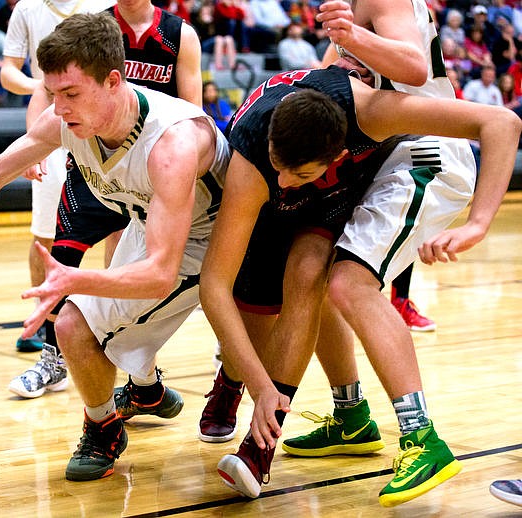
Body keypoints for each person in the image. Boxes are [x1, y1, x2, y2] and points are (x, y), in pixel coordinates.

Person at [0, 12, 230, 482]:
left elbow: (160, 271)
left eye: (71, 94)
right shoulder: (71, 119)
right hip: (151, 223)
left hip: (212, 243)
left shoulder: (172, 144)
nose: (58, 108)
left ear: (114, 81)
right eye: (53, 94)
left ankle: (179, 391)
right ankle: (112, 420)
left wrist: (76, 278)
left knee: (74, 316)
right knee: (73, 324)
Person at [203, 66, 520, 505]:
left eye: (297, 175)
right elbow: (213, 286)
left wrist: (480, 222)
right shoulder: (257, 162)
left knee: (320, 274)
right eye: (280, 168)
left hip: (360, 181)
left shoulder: (372, 112)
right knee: (255, 310)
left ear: (336, 158)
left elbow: (502, 121)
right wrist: (259, 384)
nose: (283, 182)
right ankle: (328, 410)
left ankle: (262, 447)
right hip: (272, 185)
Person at [198, 0, 458, 445]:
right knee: (275, 292)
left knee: (336, 280)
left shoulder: (379, 7)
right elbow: (326, 87)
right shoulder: (337, 71)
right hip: (362, 144)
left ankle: (419, 438)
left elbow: (415, 70)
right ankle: (335, 409)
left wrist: (478, 224)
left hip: (414, 144)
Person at [7, 0, 204, 399]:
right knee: (60, 256)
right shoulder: (95, 27)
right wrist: (36, 145)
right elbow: (48, 93)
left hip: (149, 164)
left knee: (132, 268)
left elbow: (191, 110)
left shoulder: (179, 34)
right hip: (92, 159)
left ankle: (137, 372)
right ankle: (53, 357)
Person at [0, 0, 115, 359]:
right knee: (45, 234)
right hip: (49, 125)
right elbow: (7, 73)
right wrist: (45, 85)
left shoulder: (104, 5)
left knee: (118, 230)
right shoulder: (28, 9)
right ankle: (44, 322)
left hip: (98, 125)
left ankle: (113, 322)